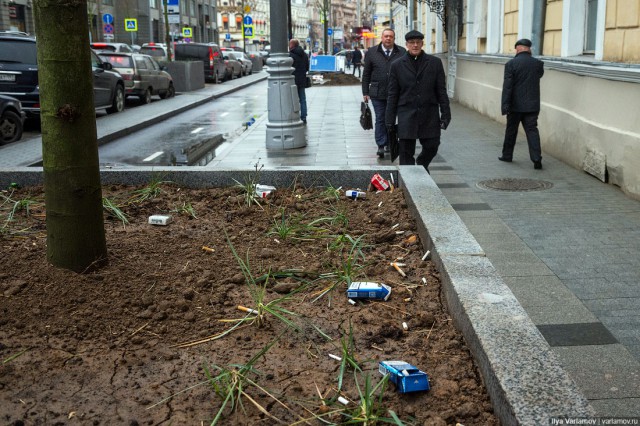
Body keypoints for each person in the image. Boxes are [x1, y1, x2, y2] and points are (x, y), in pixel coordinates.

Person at [386, 30, 451, 172]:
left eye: (418, 42)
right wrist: (389, 120)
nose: (415, 45)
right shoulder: (397, 65)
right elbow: (393, 94)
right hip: (406, 114)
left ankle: (422, 162)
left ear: (422, 43)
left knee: (432, 145)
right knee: (405, 152)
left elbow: (441, 91)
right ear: (406, 45)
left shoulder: (434, 63)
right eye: (411, 43)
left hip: (429, 114)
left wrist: (446, 114)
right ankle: (409, 181)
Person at [499, 38, 545, 169]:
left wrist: (505, 106)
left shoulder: (511, 64)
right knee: (532, 131)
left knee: (511, 131)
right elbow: (539, 76)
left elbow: (507, 87)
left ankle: (507, 155)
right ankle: (537, 158)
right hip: (532, 105)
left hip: (515, 106)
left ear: (518, 49)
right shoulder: (538, 64)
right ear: (528, 49)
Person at [362, 28, 406, 158]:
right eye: (386, 36)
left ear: (394, 38)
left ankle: (390, 142)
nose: (388, 38)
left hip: (396, 93)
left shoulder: (401, 52)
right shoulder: (372, 52)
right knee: (380, 118)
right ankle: (381, 144)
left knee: (391, 118)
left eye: (390, 36)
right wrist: (365, 91)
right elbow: (366, 74)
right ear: (382, 37)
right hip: (377, 93)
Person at [289, 38, 310, 124]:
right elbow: (307, 67)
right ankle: (303, 117)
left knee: (293, 99)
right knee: (302, 99)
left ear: (293, 45)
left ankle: (294, 116)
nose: (289, 46)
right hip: (302, 79)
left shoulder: (290, 55)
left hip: (293, 80)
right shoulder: (304, 54)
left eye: (290, 44)